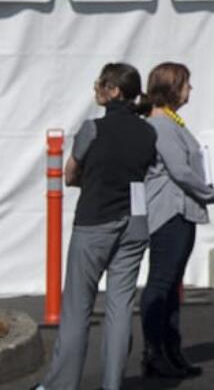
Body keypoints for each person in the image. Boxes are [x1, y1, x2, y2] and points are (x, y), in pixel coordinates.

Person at [38, 63, 157, 390]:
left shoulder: (92, 129)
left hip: (95, 219)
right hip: (135, 221)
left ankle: (62, 385)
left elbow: (71, 174)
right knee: (120, 307)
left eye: (100, 85)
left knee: (78, 308)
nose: (96, 90)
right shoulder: (149, 131)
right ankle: (112, 384)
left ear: (114, 91)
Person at [140, 62, 214, 379]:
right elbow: (180, 170)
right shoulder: (162, 127)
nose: (190, 90)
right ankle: (155, 351)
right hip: (169, 212)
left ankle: (170, 348)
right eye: (186, 84)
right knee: (162, 281)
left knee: (172, 284)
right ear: (172, 88)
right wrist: (208, 192)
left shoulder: (171, 123)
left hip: (179, 211)